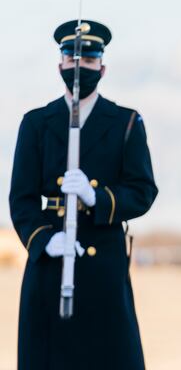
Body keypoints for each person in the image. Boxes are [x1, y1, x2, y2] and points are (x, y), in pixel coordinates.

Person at [9, 19, 158, 370]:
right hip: (51, 260)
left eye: (88, 61)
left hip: (102, 258)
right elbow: (21, 198)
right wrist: (44, 240)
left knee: (107, 355)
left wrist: (98, 197)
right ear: (60, 64)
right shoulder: (36, 122)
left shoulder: (126, 122)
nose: (79, 68)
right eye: (73, 59)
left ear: (102, 68)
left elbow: (143, 190)